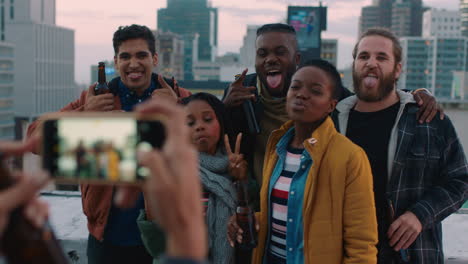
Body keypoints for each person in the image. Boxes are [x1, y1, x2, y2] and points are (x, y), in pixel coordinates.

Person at [26, 24, 191, 264]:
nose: (133, 63)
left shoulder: (178, 96)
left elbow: (207, 146)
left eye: (141, 55)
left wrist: (176, 109)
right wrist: (85, 113)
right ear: (115, 61)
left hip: (164, 237)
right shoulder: (96, 97)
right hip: (106, 238)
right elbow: (34, 139)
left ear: (154, 58)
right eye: (125, 56)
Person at [222, 23, 442, 189]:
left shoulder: (320, 92)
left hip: (309, 206)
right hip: (260, 208)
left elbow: (367, 100)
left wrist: (415, 95)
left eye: (280, 52)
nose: (270, 59)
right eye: (263, 54)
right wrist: (224, 108)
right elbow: (210, 142)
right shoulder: (242, 93)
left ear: (296, 58)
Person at [334, 28, 468, 263]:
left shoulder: (427, 120)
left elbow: (460, 181)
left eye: (381, 57)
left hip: (412, 254)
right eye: (363, 56)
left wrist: (420, 215)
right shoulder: (332, 122)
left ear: (397, 69)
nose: (371, 63)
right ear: (354, 64)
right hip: (346, 254)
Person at [228, 59, 378, 263]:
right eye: (295, 87)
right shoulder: (278, 147)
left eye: (315, 91)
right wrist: (257, 220)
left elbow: (361, 244)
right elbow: (288, 212)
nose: (301, 94)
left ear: (331, 105)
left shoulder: (349, 156)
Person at [137, 93, 247, 264]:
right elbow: (156, 246)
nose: (199, 127)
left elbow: (249, 238)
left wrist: (241, 182)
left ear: (221, 122)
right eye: (190, 123)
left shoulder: (236, 166)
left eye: (208, 119)